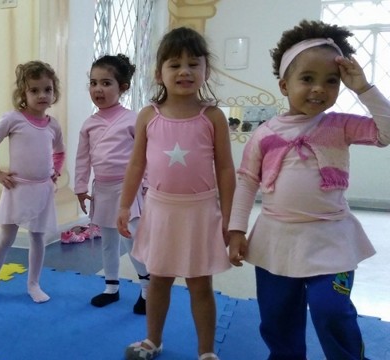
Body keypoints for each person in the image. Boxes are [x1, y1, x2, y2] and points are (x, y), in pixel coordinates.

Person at [228, 19, 390, 360]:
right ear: (284, 85)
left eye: (331, 81)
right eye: (307, 79)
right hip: (276, 241)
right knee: (277, 318)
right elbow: (247, 181)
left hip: (331, 239)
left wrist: (363, 89)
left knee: (331, 308)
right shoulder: (264, 133)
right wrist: (236, 230)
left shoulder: (340, 124)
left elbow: (386, 132)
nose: (319, 89)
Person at [117, 27, 235, 360]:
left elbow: (226, 169)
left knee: (200, 284)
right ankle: (152, 340)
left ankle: (207, 351)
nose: (184, 71)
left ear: (205, 71)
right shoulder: (148, 116)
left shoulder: (212, 117)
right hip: (160, 211)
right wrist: (125, 205)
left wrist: (230, 217)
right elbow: (136, 165)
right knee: (159, 281)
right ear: (159, 73)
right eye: (174, 64)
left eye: (193, 64)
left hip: (200, 212)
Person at [0, 60, 65, 305]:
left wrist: (55, 171)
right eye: (34, 90)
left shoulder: (53, 125)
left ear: (54, 92)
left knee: (37, 237)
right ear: (23, 93)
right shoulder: (13, 119)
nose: (42, 95)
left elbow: (59, 152)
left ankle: (33, 283)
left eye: (47, 89)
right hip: (18, 188)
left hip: (42, 189)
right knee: (5, 237)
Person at [74, 54, 150, 314]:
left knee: (133, 240)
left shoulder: (133, 119)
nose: (98, 89)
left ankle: (147, 290)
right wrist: (80, 187)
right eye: (93, 83)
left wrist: (147, 185)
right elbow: (82, 158)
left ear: (123, 88)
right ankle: (111, 287)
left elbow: (145, 156)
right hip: (102, 190)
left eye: (106, 83)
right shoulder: (89, 124)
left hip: (128, 190)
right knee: (107, 241)